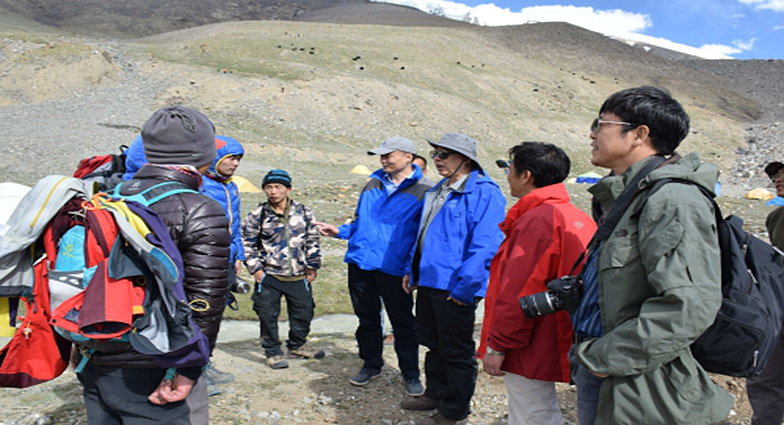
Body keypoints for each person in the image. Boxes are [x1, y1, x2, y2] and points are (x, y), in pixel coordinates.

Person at [570, 86, 733, 424]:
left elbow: (689, 306)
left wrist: (603, 359)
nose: (592, 134)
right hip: (610, 371)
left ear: (639, 134)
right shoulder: (629, 196)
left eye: (601, 124)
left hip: (638, 382)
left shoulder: (673, 200)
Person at [78, 105, 231, 424]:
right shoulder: (200, 209)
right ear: (203, 155)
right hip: (158, 364)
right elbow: (205, 301)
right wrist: (189, 369)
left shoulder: (109, 196)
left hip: (96, 354)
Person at [478, 142, 596, 425]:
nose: (508, 176)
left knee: (531, 410)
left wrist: (498, 346)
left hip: (532, 335)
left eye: (510, 170)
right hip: (565, 328)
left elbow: (519, 289)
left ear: (526, 176)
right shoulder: (576, 216)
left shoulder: (536, 220)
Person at [123, 134, 245, 391]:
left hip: (221, 256)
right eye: (230, 158)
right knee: (194, 310)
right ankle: (188, 369)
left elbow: (235, 226)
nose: (235, 164)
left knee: (213, 309)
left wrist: (238, 256)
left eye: (238, 159)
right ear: (215, 158)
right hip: (199, 256)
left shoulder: (230, 187)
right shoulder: (200, 185)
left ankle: (203, 363)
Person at [401, 132, 506, 425]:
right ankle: (435, 393)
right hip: (429, 281)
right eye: (435, 153)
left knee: (456, 351)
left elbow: (486, 245)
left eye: (444, 154)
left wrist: (466, 288)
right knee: (434, 344)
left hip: (455, 286)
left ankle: (454, 410)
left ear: (466, 159)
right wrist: (413, 269)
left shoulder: (485, 193)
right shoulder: (439, 189)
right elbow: (423, 234)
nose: (437, 159)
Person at [314, 136, 431, 397]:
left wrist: (412, 270)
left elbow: (422, 237)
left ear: (408, 157)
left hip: (395, 268)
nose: (383, 160)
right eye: (382, 155)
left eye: (389, 155)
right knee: (367, 319)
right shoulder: (372, 184)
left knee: (403, 323)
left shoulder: (425, 190)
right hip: (361, 263)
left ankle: (411, 374)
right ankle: (371, 364)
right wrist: (340, 231)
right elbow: (360, 223)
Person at [242, 169, 324, 370]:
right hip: (269, 276)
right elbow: (247, 243)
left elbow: (312, 239)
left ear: (288, 189)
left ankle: (297, 345)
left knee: (304, 311)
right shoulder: (257, 215)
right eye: (268, 187)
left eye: (278, 187)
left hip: (298, 275)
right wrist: (256, 270)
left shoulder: (304, 212)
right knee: (267, 315)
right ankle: (273, 352)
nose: (273, 191)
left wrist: (312, 266)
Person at [745, 161, 784, 425]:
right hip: (778, 307)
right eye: (776, 176)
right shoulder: (776, 218)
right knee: (765, 375)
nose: (778, 180)